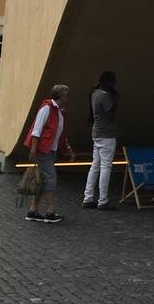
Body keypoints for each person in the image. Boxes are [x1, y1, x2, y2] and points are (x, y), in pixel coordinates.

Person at [23, 84, 75, 224]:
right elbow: (36, 130)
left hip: (50, 150)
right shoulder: (46, 109)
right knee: (50, 177)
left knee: (43, 180)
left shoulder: (59, 112)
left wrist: (67, 149)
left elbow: (60, 135)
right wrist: (33, 150)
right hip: (43, 150)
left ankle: (33, 210)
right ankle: (50, 211)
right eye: (67, 94)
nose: (68, 97)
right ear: (60, 95)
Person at [82, 70, 118, 212]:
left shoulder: (94, 93)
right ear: (109, 82)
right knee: (105, 167)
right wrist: (115, 99)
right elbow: (110, 114)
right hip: (107, 135)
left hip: (96, 132)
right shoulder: (105, 96)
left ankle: (88, 197)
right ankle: (103, 200)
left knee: (95, 166)